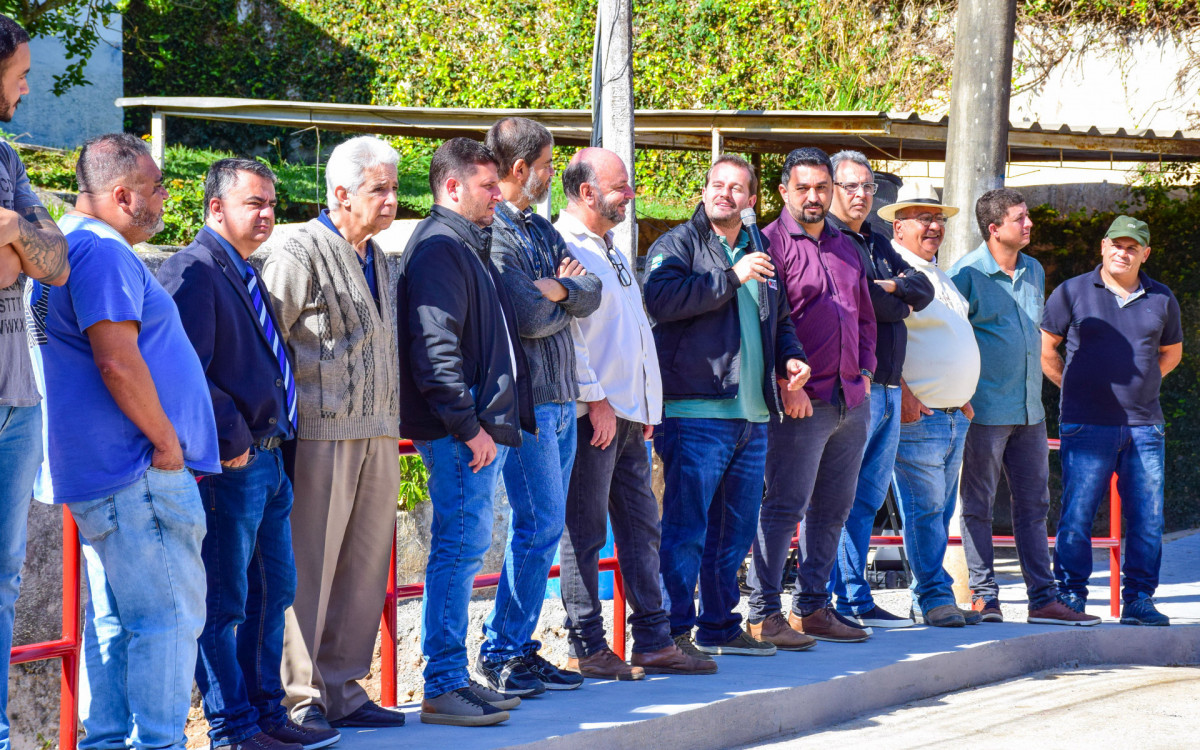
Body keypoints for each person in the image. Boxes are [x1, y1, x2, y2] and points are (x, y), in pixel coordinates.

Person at [27, 133, 218, 750]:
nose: (165, 198)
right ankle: (158, 743)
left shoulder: (65, 245)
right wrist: (166, 444)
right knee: (168, 620)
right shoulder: (101, 253)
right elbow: (117, 361)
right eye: (158, 187)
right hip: (133, 469)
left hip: (100, 470)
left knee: (116, 620)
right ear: (122, 195)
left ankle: (111, 741)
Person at [158, 159, 342, 750]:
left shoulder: (242, 269)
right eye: (252, 203)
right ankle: (231, 726)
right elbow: (180, 369)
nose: (266, 214)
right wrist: (232, 436)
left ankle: (266, 713)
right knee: (224, 601)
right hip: (230, 466)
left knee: (271, 592)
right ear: (216, 209)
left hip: (268, 462)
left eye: (270, 203)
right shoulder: (193, 270)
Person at [261, 136, 404, 730]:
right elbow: (267, 338)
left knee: (366, 567)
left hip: (379, 431)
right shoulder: (297, 249)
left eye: (394, 188)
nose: (392, 199)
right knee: (309, 568)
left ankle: (343, 688)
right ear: (340, 194)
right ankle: (300, 698)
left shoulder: (381, 255)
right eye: (380, 189)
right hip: (318, 433)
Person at [557, 147, 714, 680]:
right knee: (585, 532)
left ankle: (652, 638)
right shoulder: (564, 245)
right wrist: (595, 398)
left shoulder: (610, 248)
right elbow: (569, 335)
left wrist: (644, 407)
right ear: (586, 192)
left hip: (627, 415)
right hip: (594, 412)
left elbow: (631, 335)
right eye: (620, 186)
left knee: (642, 529)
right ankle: (587, 645)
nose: (630, 194)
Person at [644, 154, 809, 661]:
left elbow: (777, 319)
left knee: (732, 536)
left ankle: (719, 625)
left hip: (752, 415)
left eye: (737, 188)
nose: (725, 193)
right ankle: (672, 633)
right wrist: (732, 277)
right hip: (696, 412)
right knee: (686, 532)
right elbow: (661, 300)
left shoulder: (759, 248)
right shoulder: (677, 244)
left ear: (752, 200)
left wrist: (792, 359)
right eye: (717, 184)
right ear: (704, 191)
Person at [397, 137, 534, 725]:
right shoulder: (439, 249)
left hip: (471, 431)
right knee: (457, 553)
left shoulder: (461, 245)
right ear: (452, 188)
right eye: (486, 185)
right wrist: (469, 425)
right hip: (460, 435)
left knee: (465, 550)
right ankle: (445, 683)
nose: (497, 195)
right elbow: (435, 349)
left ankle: (454, 678)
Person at [477, 118, 600, 695]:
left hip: (561, 399)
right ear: (521, 169)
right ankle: (503, 648)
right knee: (540, 524)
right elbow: (525, 319)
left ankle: (518, 646)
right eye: (549, 166)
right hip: (527, 405)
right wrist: (562, 293)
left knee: (542, 527)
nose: (554, 175)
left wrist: (562, 289)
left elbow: (593, 289)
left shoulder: (538, 228)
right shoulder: (496, 231)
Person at [950, 189, 1099, 628]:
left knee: (1034, 504)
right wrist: (960, 397)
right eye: (1020, 218)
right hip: (983, 411)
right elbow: (951, 341)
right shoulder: (965, 274)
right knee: (976, 504)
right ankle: (983, 596)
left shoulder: (1033, 269)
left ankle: (1042, 598)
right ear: (995, 229)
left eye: (1027, 216)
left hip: (1030, 412)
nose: (1029, 223)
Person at [745, 147, 875, 648]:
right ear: (783, 191)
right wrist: (783, 383)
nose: (815, 197)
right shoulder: (770, 244)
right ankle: (762, 611)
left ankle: (814, 606)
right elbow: (765, 322)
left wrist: (864, 371)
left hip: (850, 398)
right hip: (800, 401)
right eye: (803, 188)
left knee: (834, 508)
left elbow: (863, 315)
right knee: (784, 506)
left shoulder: (846, 245)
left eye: (823, 187)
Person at [1041, 215, 1182, 626]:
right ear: (1103, 246)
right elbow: (1048, 348)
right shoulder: (1072, 291)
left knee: (1147, 517)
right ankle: (1070, 596)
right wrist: (1074, 389)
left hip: (1144, 426)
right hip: (1086, 423)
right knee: (1077, 514)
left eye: (1133, 246)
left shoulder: (1162, 298)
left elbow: (1170, 354)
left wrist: (1143, 383)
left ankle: (1139, 599)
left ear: (1145, 253)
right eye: (1117, 244)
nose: (1124, 251)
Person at [824, 150, 932, 629]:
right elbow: (856, 301)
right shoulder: (826, 241)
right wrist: (894, 296)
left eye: (868, 187)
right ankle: (831, 599)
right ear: (829, 188)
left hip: (888, 388)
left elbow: (921, 289)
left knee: (866, 499)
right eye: (851, 186)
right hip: (854, 389)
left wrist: (891, 291)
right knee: (836, 498)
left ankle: (852, 596)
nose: (861, 195)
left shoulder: (878, 240)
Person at [0, 15, 69, 750]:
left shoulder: (6, 158)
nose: (27, 82)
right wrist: (21, 241)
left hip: (18, 401)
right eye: (20, 69)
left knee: (5, 581)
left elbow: (56, 263)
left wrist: (13, 229)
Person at [876, 182, 981, 628]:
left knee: (937, 513)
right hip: (922, 414)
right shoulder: (898, 273)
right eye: (923, 217)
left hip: (953, 414)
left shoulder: (937, 274)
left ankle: (932, 597)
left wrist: (965, 394)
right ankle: (934, 597)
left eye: (938, 218)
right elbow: (884, 337)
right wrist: (906, 393)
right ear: (899, 227)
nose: (934, 225)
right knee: (924, 510)